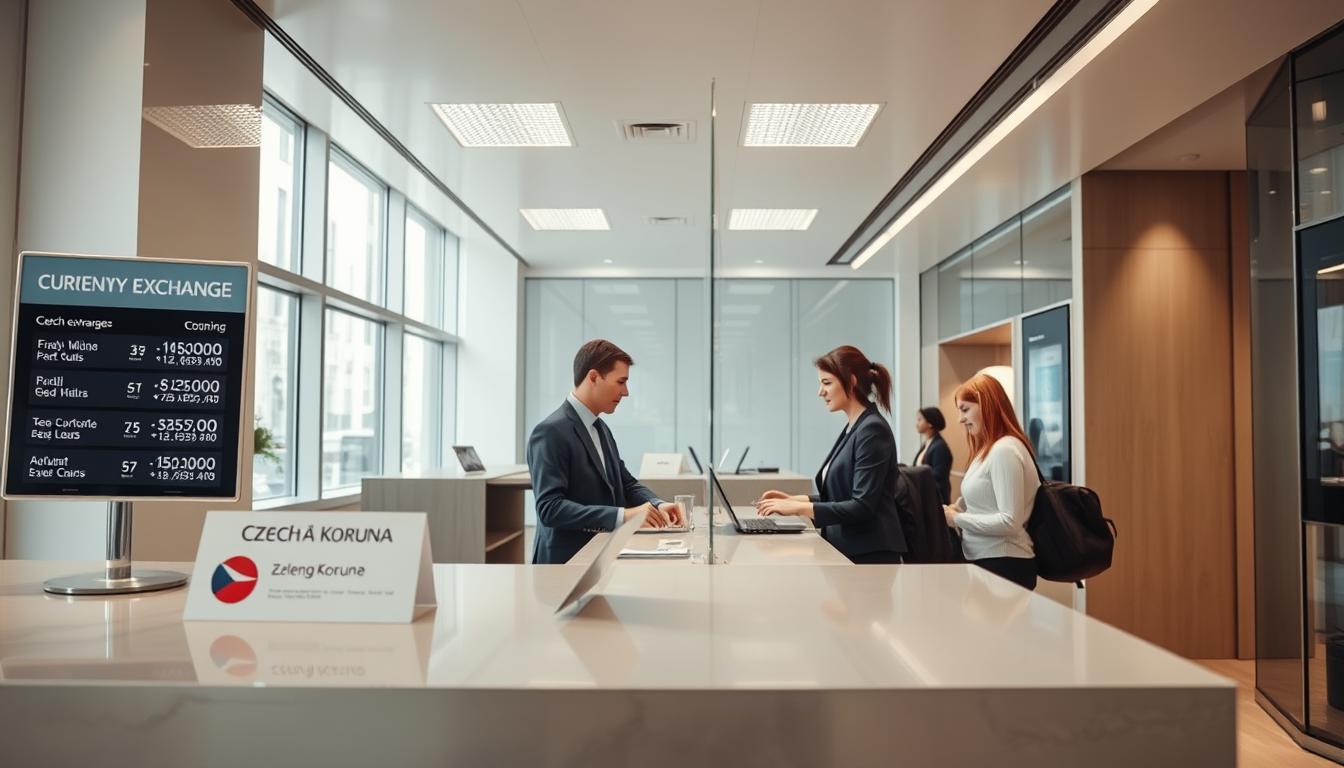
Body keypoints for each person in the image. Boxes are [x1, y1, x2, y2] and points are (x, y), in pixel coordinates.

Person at [528, 339, 685, 565]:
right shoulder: (550, 432)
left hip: (600, 557)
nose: (626, 392)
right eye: (621, 382)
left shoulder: (600, 428)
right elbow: (550, 509)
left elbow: (626, 483)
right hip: (565, 565)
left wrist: (657, 504)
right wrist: (623, 516)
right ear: (593, 377)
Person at [756, 345, 907, 564]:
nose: (821, 392)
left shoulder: (872, 430)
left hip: (869, 555)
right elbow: (842, 495)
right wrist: (792, 500)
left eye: (827, 383)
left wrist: (798, 507)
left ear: (851, 381)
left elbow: (862, 505)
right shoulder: (855, 427)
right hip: (849, 550)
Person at [943, 372, 1040, 590]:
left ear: (987, 405)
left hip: (1004, 564)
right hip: (990, 562)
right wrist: (957, 509)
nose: (960, 419)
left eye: (965, 409)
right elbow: (987, 505)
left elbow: (1009, 521)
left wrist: (957, 519)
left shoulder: (1004, 450)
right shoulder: (989, 450)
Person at [912, 406, 952, 505]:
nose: (917, 424)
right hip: (925, 498)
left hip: (935, 501)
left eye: (920, 420)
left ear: (930, 423)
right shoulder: (927, 444)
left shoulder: (940, 447)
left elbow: (938, 475)